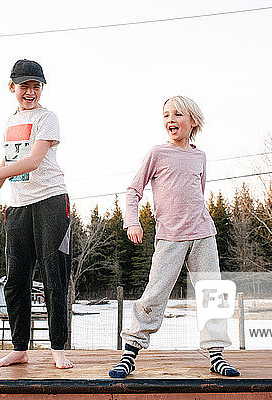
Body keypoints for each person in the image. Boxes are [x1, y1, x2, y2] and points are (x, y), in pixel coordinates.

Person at [108, 96, 240, 378]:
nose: (170, 119)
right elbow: (133, 191)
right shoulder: (157, 153)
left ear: (193, 122)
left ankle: (216, 353)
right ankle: (130, 352)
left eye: (178, 114)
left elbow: (198, 194)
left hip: (203, 235)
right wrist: (132, 222)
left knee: (213, 294)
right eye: (166, 115)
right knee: (154, 293)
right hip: (170, 237)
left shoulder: (199, 156)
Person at [0, 59, 72, 369]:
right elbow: (10, 156)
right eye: (24, 85)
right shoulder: (11, 122)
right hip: (19, 206)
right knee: (15, 279)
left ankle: (57, 347)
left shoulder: (47, 118)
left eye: (36, 85)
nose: (30, 91)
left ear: (42, 88)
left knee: (54, 274)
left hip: (51, 201)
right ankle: (19, 347)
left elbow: (34, 161)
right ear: (12, 87)